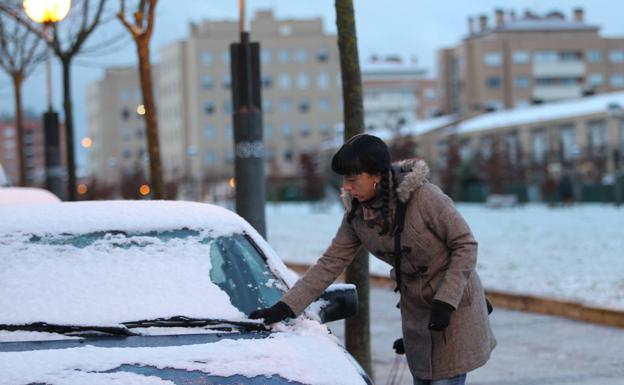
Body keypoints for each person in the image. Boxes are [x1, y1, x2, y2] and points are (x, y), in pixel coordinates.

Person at [250, 134, 496, 385]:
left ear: (376, 175)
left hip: (453, 305)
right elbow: (330, 262)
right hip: (418, 313)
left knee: (444, 378)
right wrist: (286, 306)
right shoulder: (357, 215)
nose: (346, 186)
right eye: (344, 179)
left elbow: (465, 245)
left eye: (352, 179)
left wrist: (446, 301)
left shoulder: (424, 197)